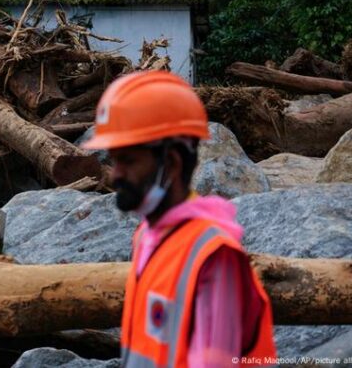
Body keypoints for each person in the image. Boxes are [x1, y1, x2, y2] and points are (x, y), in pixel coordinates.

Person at [80, 70, 276, 367]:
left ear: (171, 162)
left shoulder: (214, 258)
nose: (115, 174)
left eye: (129, 160)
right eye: (114, 159)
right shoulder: (148, 237)